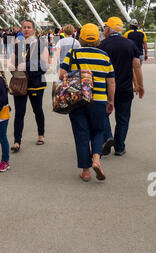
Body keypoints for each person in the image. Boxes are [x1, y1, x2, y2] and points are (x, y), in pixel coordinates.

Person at [59, 23, 115, 182]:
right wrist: (110, 101)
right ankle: (96, 160)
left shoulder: (73, 53)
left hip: (78, 99)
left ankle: (85, 171)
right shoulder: (104, 56)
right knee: (98, 131)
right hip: (99, 100)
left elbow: (62, 73)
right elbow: (111, 82)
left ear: (81, 38)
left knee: (81, 134)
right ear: (98, 38)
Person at [100, 17, 144, 156]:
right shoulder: (130, 44)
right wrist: (140, 85)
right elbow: (137, 66)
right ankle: (119, 147)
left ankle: (107, 136)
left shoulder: (102, 45)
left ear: (108, 29)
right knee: (123, 118)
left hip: (106, 89)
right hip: (125, 88)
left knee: (103, 114)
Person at [9, 20, 49, 152]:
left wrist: (25, 65)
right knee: (19, 113)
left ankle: (41, 134)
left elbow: (44, 66)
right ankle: (17, 141)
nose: (26, 29)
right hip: (20, 83)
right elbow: (12, 60)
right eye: (24, 27)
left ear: (34, 30)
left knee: (37, 110)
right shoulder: (18, 45)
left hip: (35, 83)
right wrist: (10, 65)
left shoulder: (41, 44)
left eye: (29, 27)